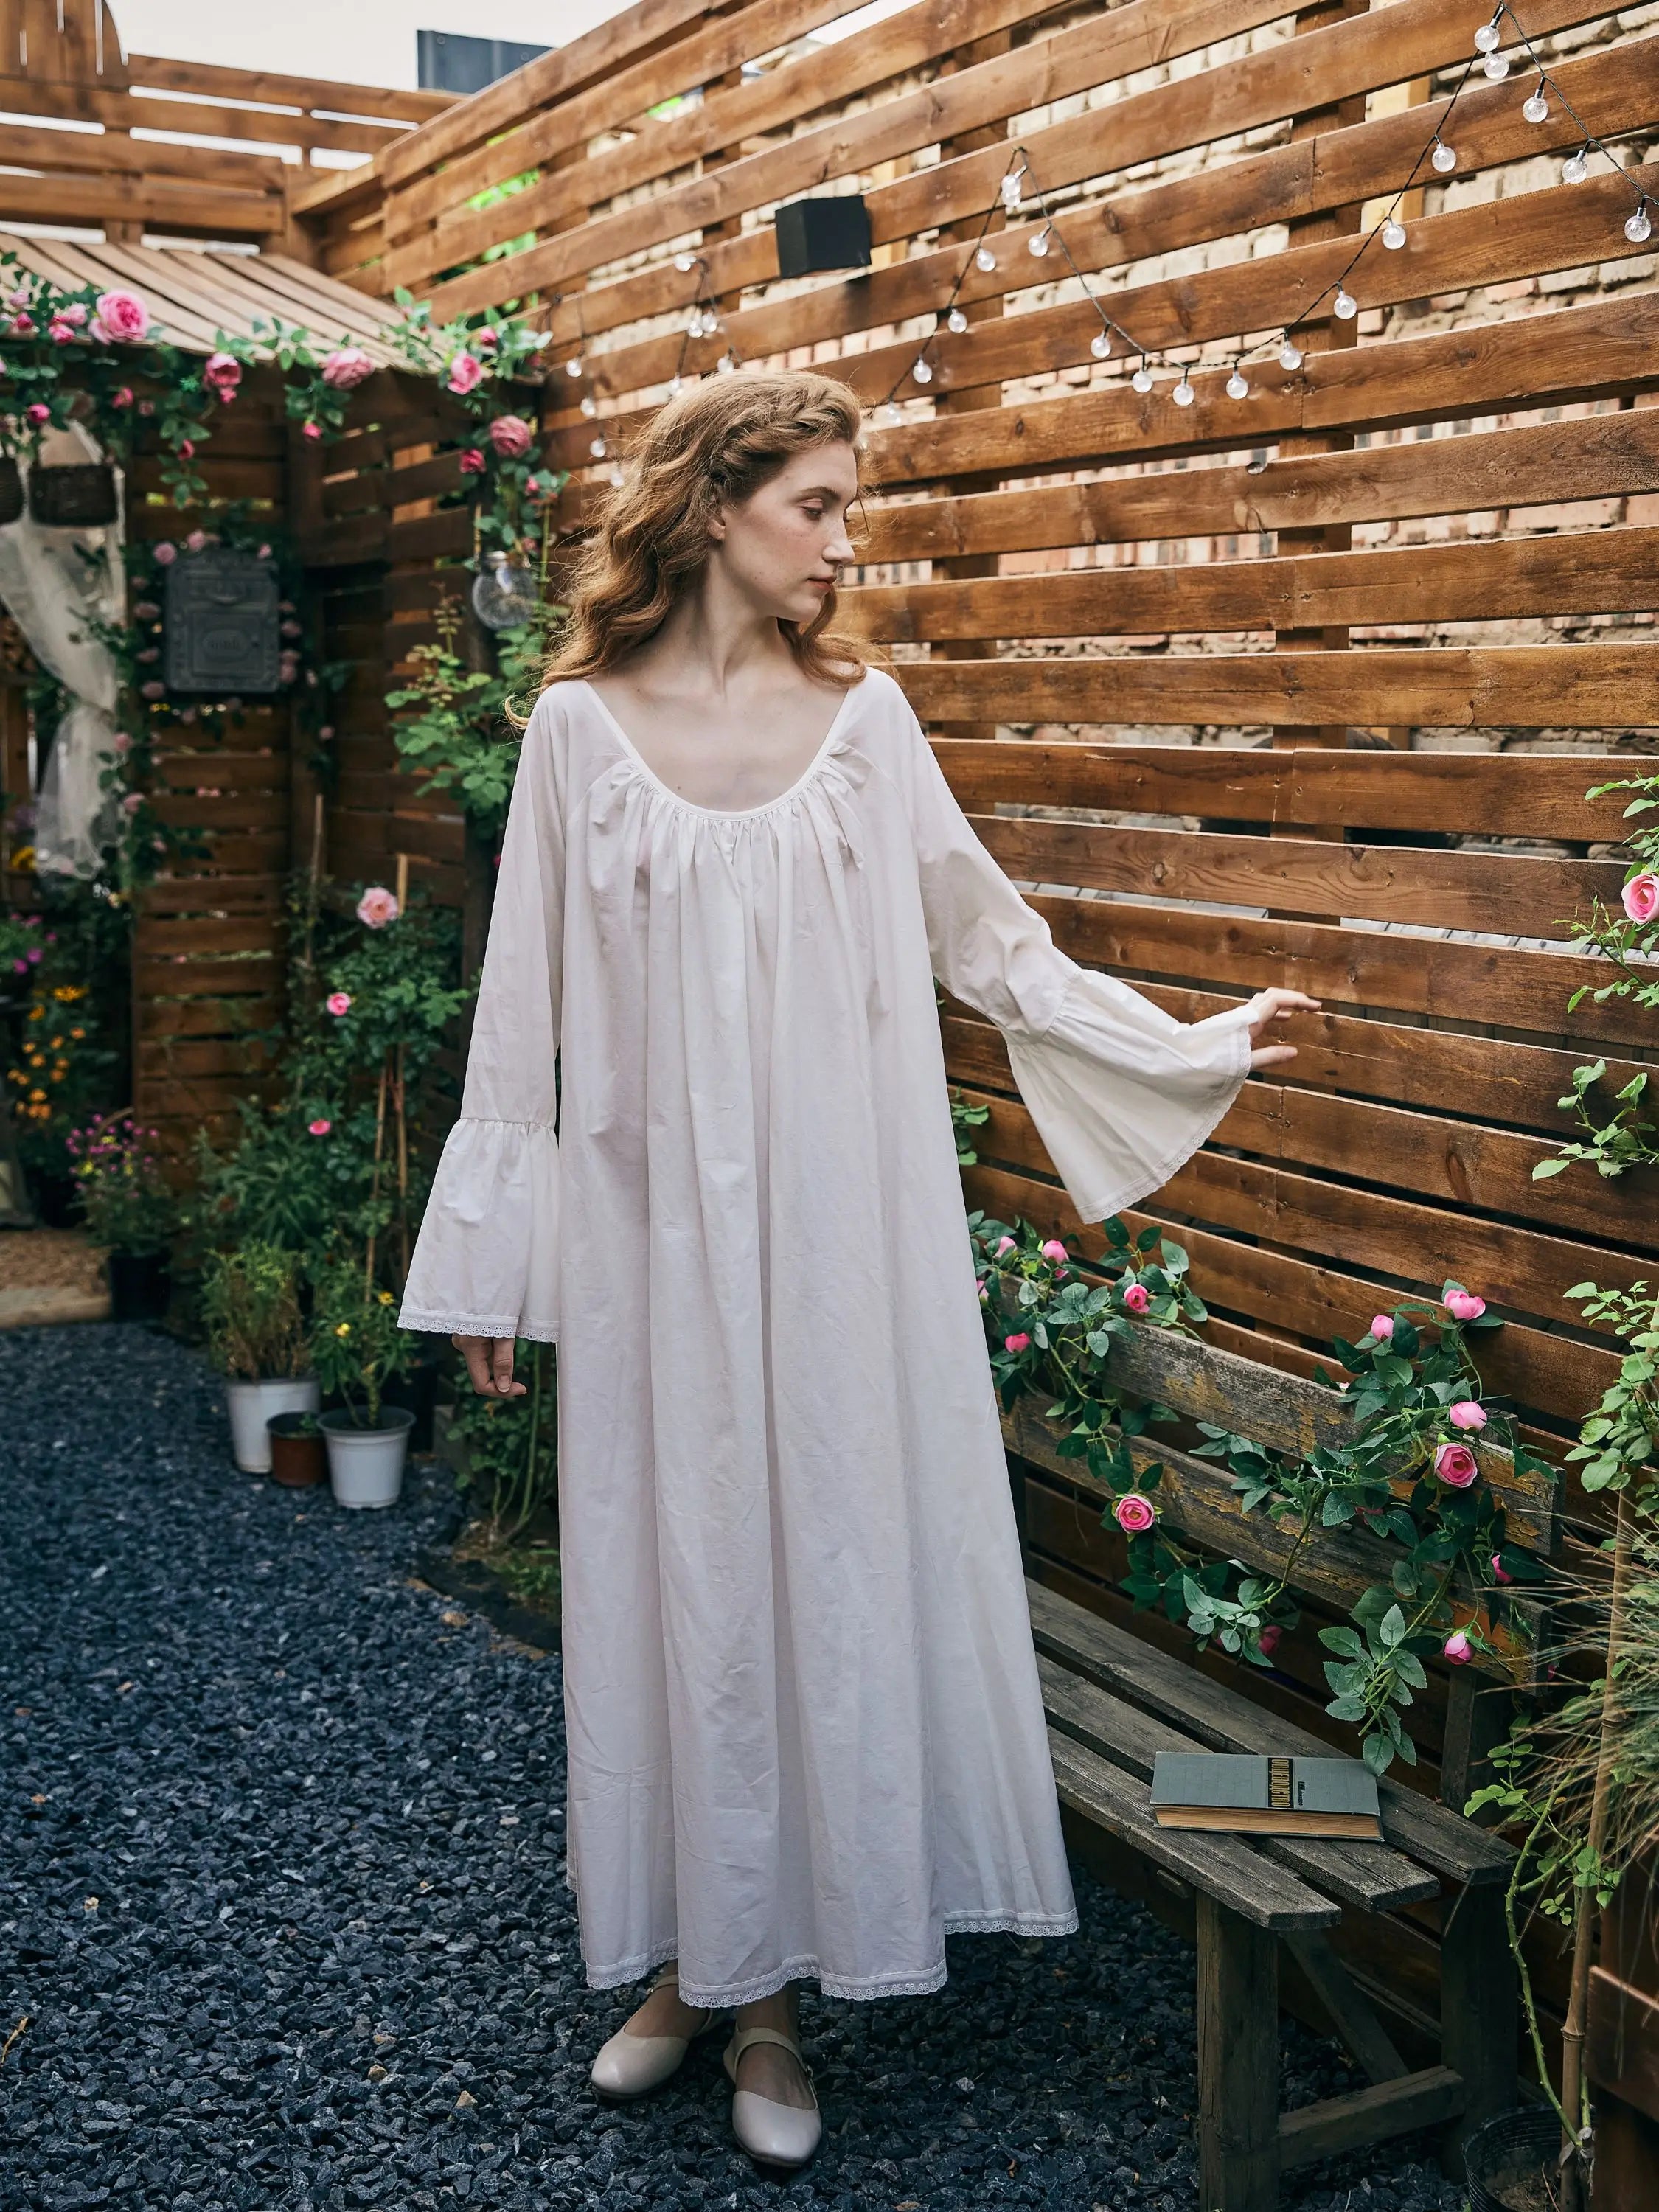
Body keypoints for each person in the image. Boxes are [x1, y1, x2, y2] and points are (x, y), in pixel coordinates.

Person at [398, 367, 1316, 2172]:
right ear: (716, 503)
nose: (842, 539)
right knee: (674, 1588)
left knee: (808, 1583)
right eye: (817, 501)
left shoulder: (869, 722)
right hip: (660, 1257)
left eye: (846, 505)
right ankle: (684, 1966)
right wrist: (498, 1271)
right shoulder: (575, 732)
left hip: (837, 1254)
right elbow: (526, 1018)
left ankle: (767, 2010)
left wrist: (1188, 1042)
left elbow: (995, 943)